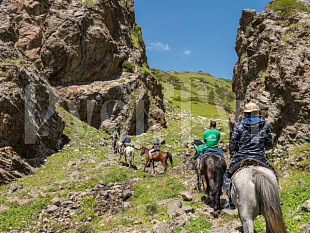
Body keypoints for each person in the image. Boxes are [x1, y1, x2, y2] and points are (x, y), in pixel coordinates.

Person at [223, 102, 278, 208]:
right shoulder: (265, 124)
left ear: (246, 113)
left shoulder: (239, 125)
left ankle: (230, 200)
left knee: (226, 176)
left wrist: (237, 149)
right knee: (274, 175)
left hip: (241, 157)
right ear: (256, 113)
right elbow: (268, 143)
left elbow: (233, 144)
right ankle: (276, 200)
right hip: (259, 157)